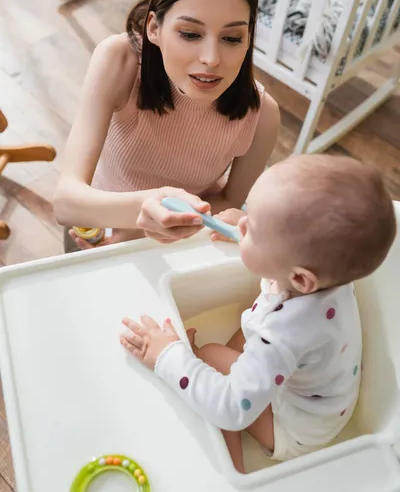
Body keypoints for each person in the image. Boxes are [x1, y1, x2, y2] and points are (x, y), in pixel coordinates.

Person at [120, 154, 396, 472]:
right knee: (240, 327)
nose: (240, 223)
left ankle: (232, 469)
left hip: (294, 429)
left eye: (253, 228)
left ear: (300, 278)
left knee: (209, 354)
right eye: (248, 214)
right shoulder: (328, 274)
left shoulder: (283, 335)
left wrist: (168, 356)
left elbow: (231, 408)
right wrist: (249, 234)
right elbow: (288, 248)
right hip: (324, 402)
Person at [53, 0, 280, 251]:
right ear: (154, 27)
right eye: (190, 34)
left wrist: (144, 230)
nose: (211, 58)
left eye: (231, 38)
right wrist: (138, 213)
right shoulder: (120, 60)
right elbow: (66, 202)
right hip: (95, 227)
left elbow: (228, 200)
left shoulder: (262, 115)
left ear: (249, 38)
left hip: (174, 241)